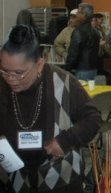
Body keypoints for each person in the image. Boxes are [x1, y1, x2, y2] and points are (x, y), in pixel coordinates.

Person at [0, 25, 101, 193]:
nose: (11, 79)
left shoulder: (64, 82)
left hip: (61, 178)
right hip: (16, 177)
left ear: (39, 64)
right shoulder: (2, 86)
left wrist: (65, 141)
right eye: (4, 70)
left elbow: (93, 119)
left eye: (19, 73)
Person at [65, 2, 100, 80]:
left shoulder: (78, 31)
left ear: (84, 15)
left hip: (81, 69)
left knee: (80, 91)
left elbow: (73, 53)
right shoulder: (95, 31)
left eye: (78, 12)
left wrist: (68, 68)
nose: (76, 15)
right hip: (93, 68)